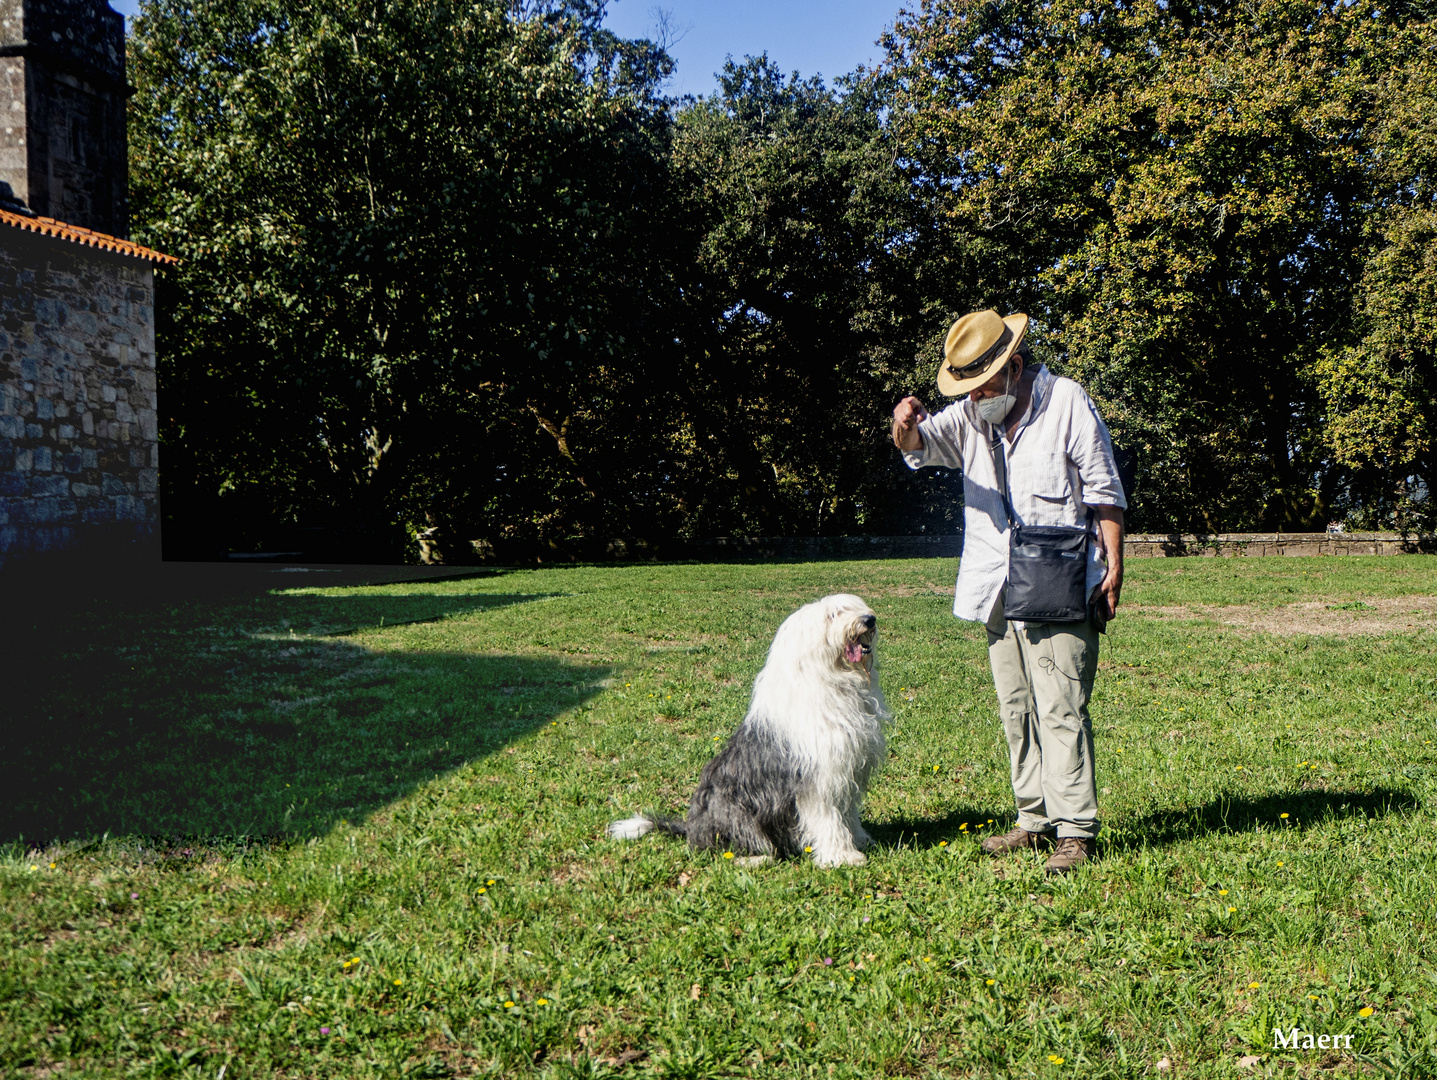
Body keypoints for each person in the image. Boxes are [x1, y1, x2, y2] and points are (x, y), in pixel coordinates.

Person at [892, 309, 1126, 876]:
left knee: (1060, 705)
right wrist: (904, 425)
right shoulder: (973, 415)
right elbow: (921, 445)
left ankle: (1075, 831)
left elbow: (1104, 489)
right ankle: (1034, 820)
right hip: (995, 583)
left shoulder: (1067, 400)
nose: (974, 399)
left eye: (984, 386)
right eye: (966, 390)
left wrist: (1114, 566)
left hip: (1060, 577)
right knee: (1017, 708)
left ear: (1015, 366)